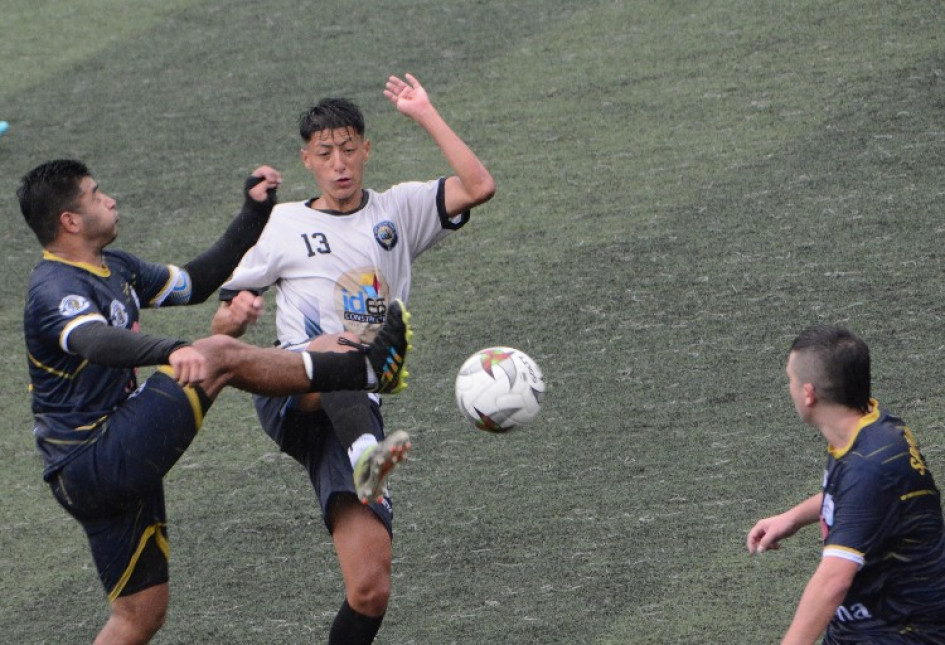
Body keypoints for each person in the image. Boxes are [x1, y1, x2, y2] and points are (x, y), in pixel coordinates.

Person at [18, 159, 412, 645]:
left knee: (139, 616)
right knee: (217, 355)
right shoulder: (54, 287)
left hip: (104, 462)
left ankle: (360, 377)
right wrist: (171, 349)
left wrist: (252, 214)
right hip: (95, 457)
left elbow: (197, 281)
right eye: (96, 194)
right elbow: (95, 341)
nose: (110, 200)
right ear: (70, 221)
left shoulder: (113, 267)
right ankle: (363, 369)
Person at [211, 73, 495, 643]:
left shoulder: (399, 212)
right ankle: (369, 456)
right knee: (343, 350)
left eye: (348, 150)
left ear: (367, 150)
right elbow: (223, 314)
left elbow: (479, 185)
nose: (339, 164)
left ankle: (364, 451)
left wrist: (426, 113)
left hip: (353, 410)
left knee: (371, 587)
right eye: (325, 154)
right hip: (292, 385)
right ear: (307, 161)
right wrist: (235, 320)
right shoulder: (283, 223)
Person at [746, 324, 945, 644]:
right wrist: (794, 517)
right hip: (865, 622)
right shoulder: (872, 426)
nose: (790, 388)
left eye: (791, 380)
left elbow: (833, 582)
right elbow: (858, 499)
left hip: (898, 631)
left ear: (808, 393)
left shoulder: (870, 465)